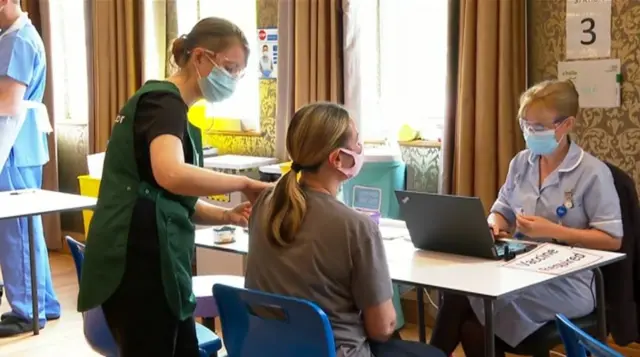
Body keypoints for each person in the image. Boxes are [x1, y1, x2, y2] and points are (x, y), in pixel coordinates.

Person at [77, 17, 271, 357]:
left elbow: (172, 197)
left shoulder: (167, 108)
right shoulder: (163, 104)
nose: (233, 79)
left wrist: (228, 214)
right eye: (229, 67)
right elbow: (170, 174)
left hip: (153, 260)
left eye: (239, 72)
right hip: (137, 261)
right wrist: (242, 182)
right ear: (199, 58)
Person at [430, 79, 623, 357]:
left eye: (539, 127)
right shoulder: (521, 162)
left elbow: (613, 240)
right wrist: (494, 224)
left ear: (566, 124)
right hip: (521, 269)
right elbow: (502, 208)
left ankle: (428, 354)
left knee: (473, 310)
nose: (531, 133)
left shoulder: (593, 174)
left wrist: (555, 231)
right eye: (526, 125)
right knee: (466, 304)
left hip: (568, 282)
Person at [245, 102, 445, 357]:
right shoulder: (357, 227)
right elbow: (382, 327)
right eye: (357, 143)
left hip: (266, 347)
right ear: (337, 158)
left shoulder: (265, 203)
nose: (361, 149)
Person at [0, 0, 60, 337]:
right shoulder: (14, 35)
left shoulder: (17, 40)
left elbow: (8, 100)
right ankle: (43, 303)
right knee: (26, 229)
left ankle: (26, 311)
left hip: (11, 145)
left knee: (16, 230)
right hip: (21, 146)